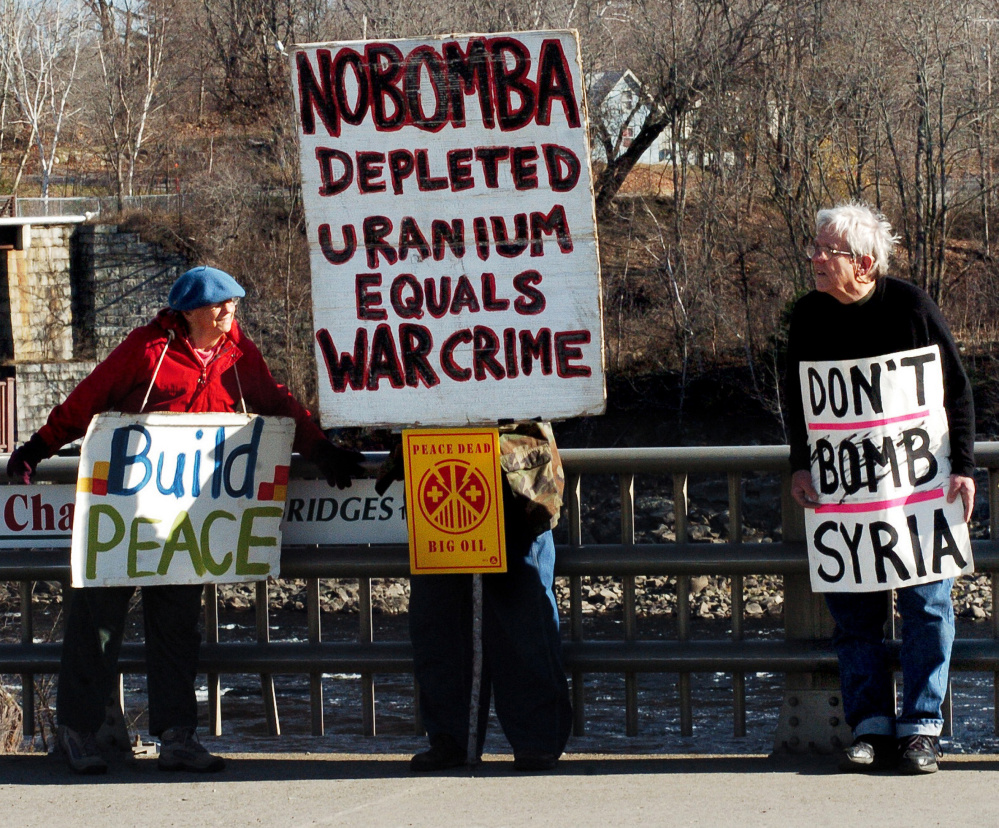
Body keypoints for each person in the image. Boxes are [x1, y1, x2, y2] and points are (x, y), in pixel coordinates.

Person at [7, 265, 364, 775]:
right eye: (221, 304)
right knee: (98, 622)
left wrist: (320, 449)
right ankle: (76, 732)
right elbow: (89, 399)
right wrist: (38, 447)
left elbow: (277, 402)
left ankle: (177, 737)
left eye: (233, 303)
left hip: (187, 523)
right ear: (191, 311)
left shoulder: (238, 354)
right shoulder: (146, 350)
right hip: (124, 514)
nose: (230, 312)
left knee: (177, 626)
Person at [784, 203, 975, 775]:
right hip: (845, 496)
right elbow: (799, 403)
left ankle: (921, 728)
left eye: (827, 251)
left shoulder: (911, 306)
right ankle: (869, 725)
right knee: (854, 612)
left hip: (917, 488)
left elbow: (956, 390)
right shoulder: (807, 317)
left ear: (863, 263)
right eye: (814, 248)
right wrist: (800, 464)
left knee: (927, 607)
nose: (814, 258)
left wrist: (963, 465)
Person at [399, 421, 572, 772]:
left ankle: (537, 741)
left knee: (525, 617)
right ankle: (450, 738)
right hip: (434, 462)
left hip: (516, 477)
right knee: (440, 621)